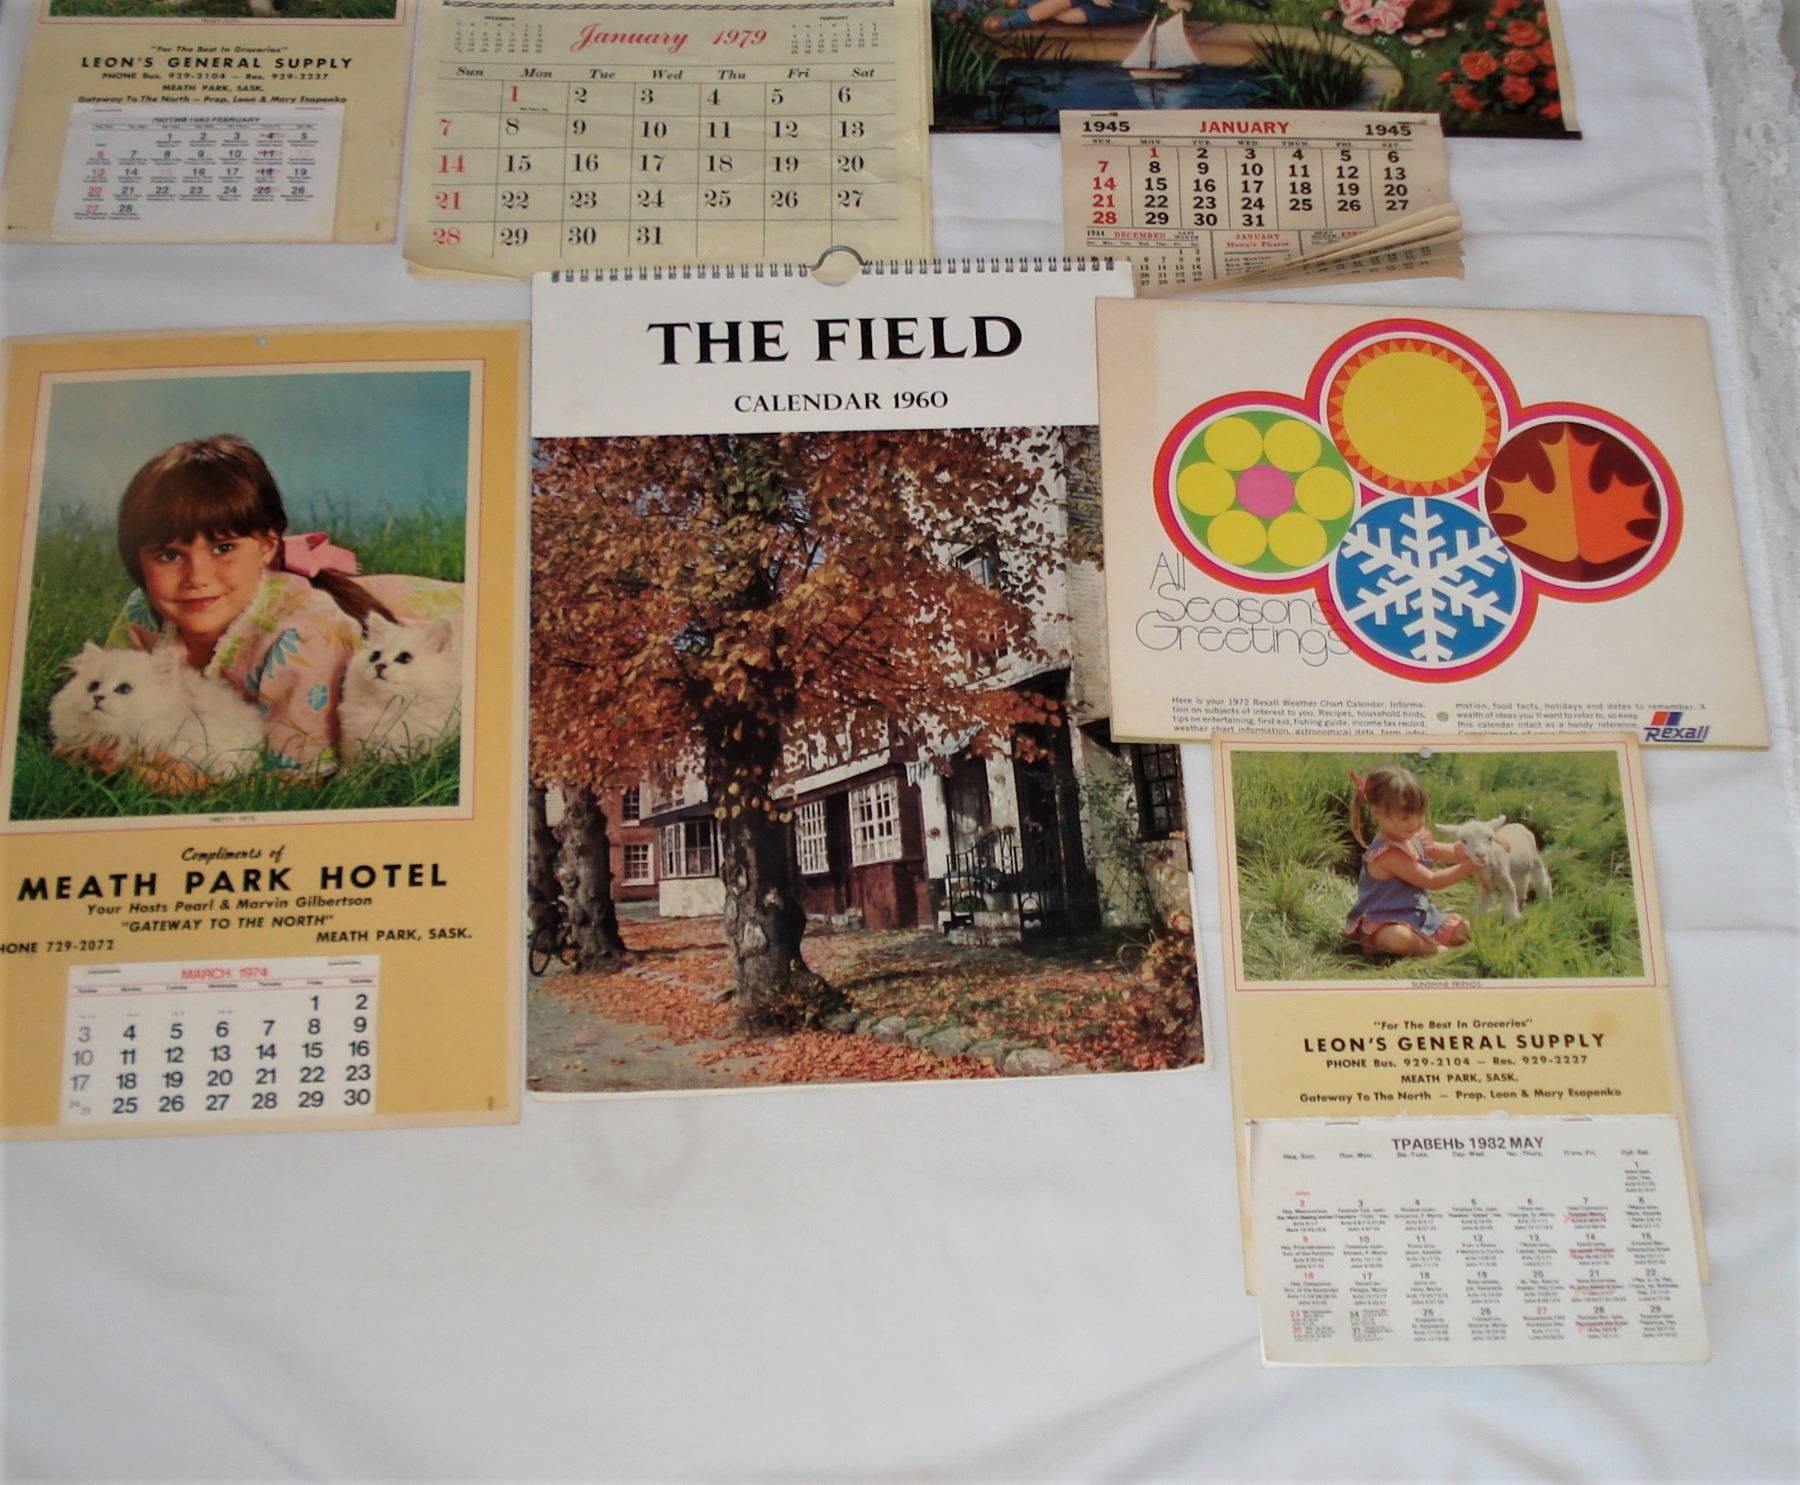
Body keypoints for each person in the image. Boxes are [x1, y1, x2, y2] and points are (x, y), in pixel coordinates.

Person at [98, 434, 461, 782]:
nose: (197, 577)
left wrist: (196, 784)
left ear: (267, 546)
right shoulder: (144, 610)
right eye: (169, 555)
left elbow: (301, 777)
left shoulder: (304, 640)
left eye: (223, 548)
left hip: (428, 617)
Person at [1343, 763, 1475, 956]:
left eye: (1420, 814)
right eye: (1405, 818)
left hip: (1418, 914)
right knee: (1397, 938)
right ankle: (1433, 950)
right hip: (1385, 920)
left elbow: (1453, 851)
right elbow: (1432, 880)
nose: (1415, 824)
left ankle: (1434, 938)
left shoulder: (1412, 837)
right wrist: (1469, 866)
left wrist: (1477, 848)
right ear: (1378, 813)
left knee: (1465, 930)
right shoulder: (1387, 854)